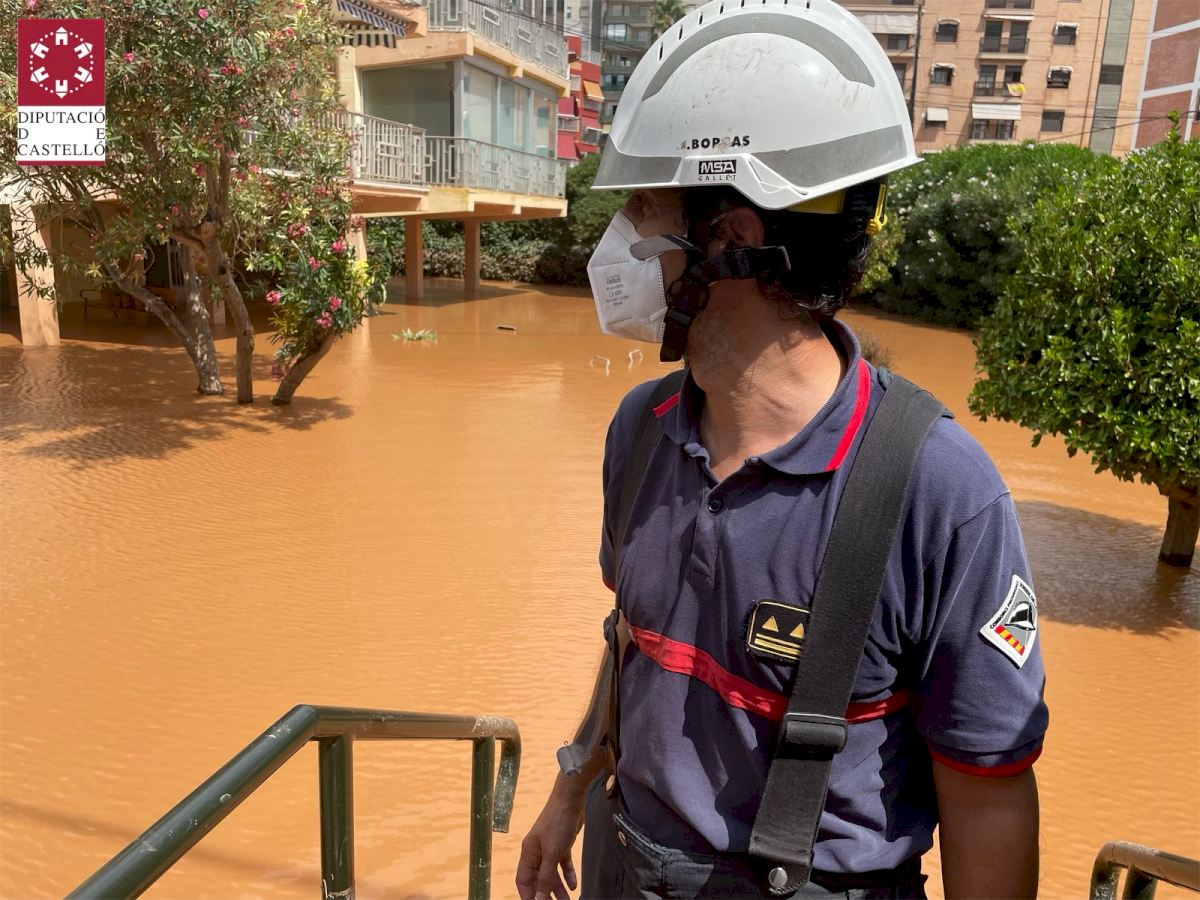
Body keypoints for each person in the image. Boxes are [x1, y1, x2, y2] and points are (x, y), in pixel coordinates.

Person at [517, 0, 1049, 896]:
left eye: (641, 207)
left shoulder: (937, 492)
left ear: (730, 240)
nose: (618, 241)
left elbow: (987, 795)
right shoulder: (641, 431)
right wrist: (573, 783)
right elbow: (632, 641)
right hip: (627, 865)